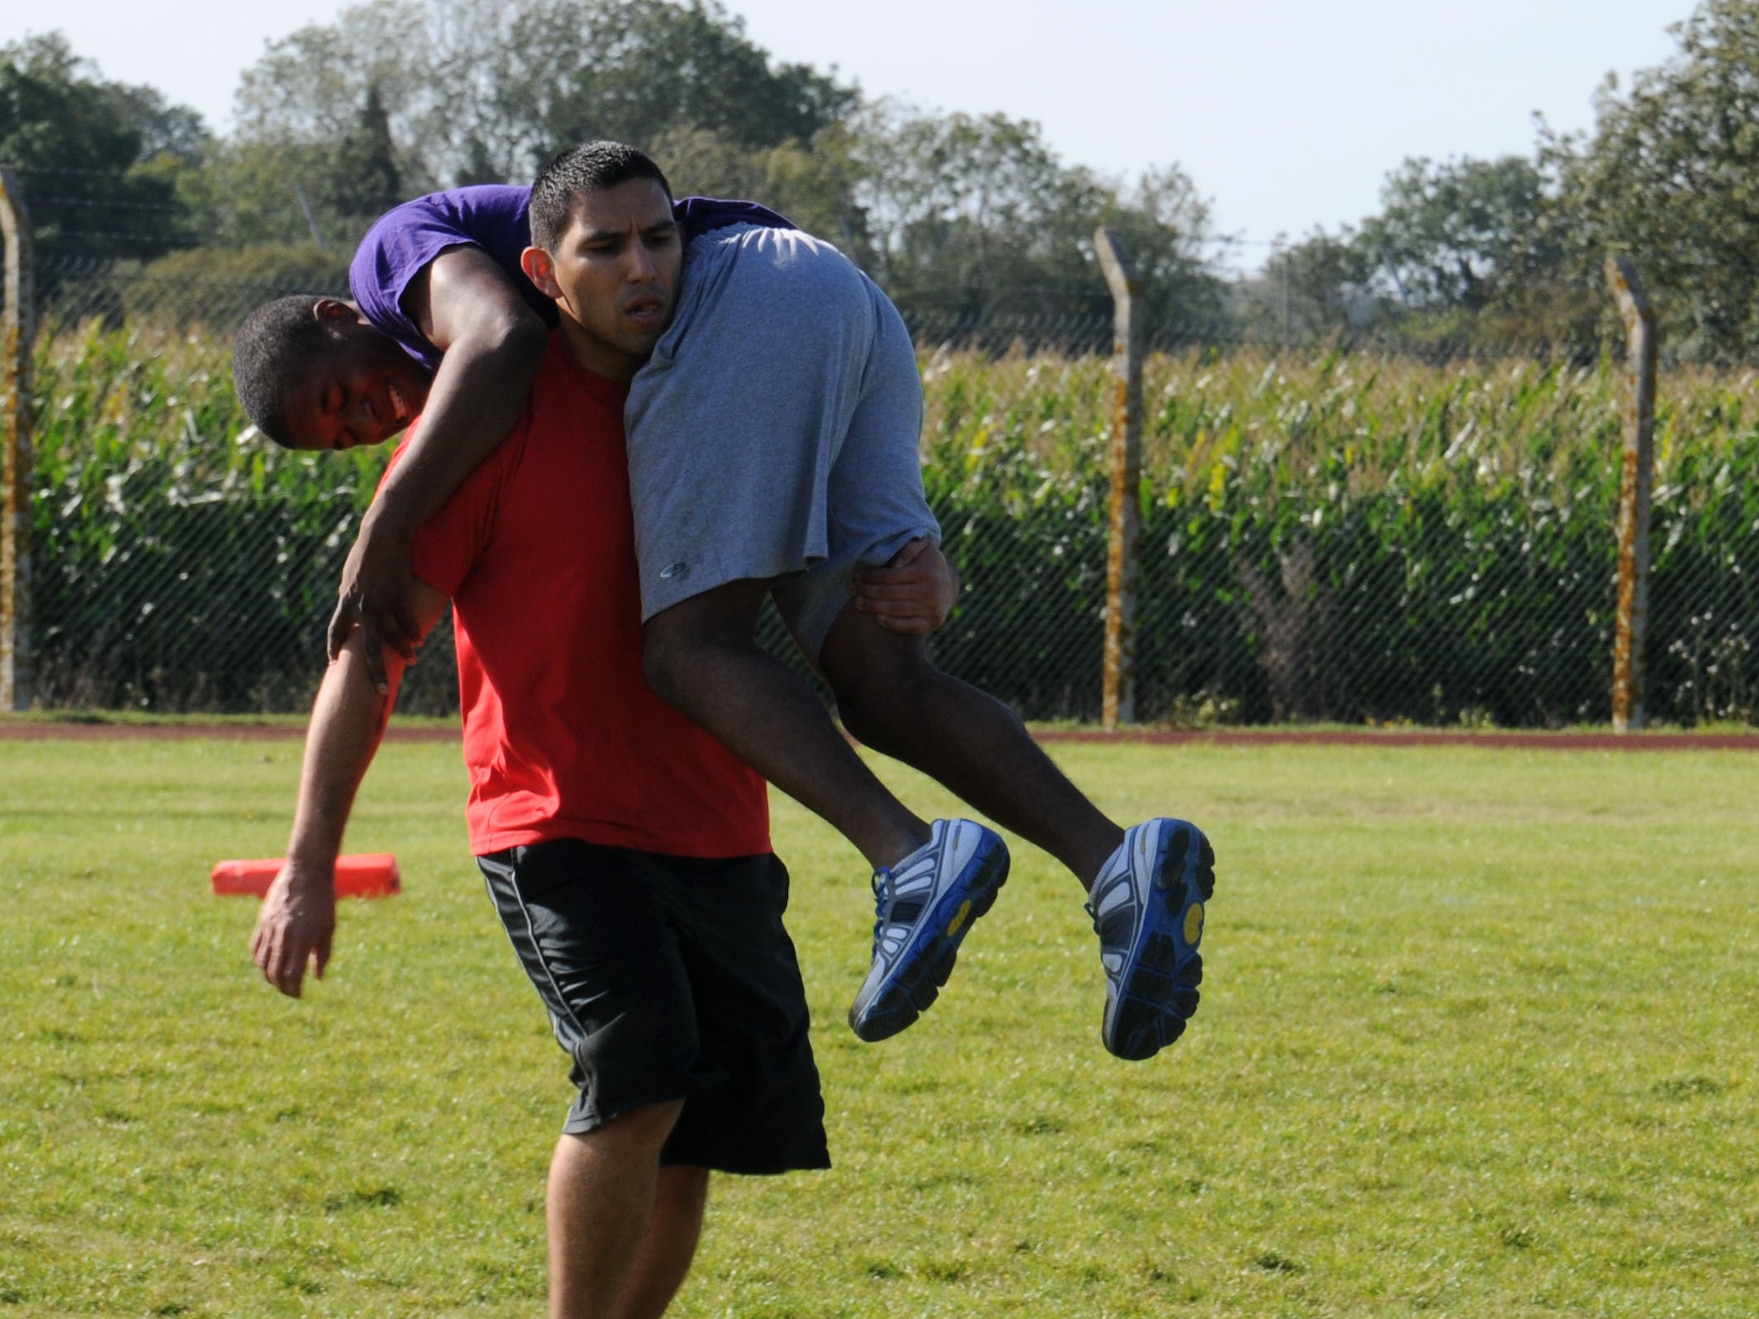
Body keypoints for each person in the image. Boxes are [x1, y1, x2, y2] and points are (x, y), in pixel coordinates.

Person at [249, 156, 968, 1319]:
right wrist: (306, 861)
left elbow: (860, 548)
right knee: (639, 1068)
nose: (637, 272)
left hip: (718, 822)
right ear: (544, 269)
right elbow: (368, 653)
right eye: (603, 249)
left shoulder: (718, 391)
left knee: (695, 1133)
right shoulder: (474, 427)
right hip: (557, 816)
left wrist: (921, 567)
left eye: (654, 245)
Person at [233, 147, 1213, 1061]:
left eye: (343, 397)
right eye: (345, 439)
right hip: (827, 293)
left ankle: (907, 857)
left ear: (337, 317)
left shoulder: (388, 259)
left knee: (690, 648)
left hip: (742, 300)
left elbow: (502, 334)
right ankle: (1116, 864)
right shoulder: (506, 345)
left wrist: (386, 520)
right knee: (879, 676)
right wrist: (928, 556)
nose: (372, 421)